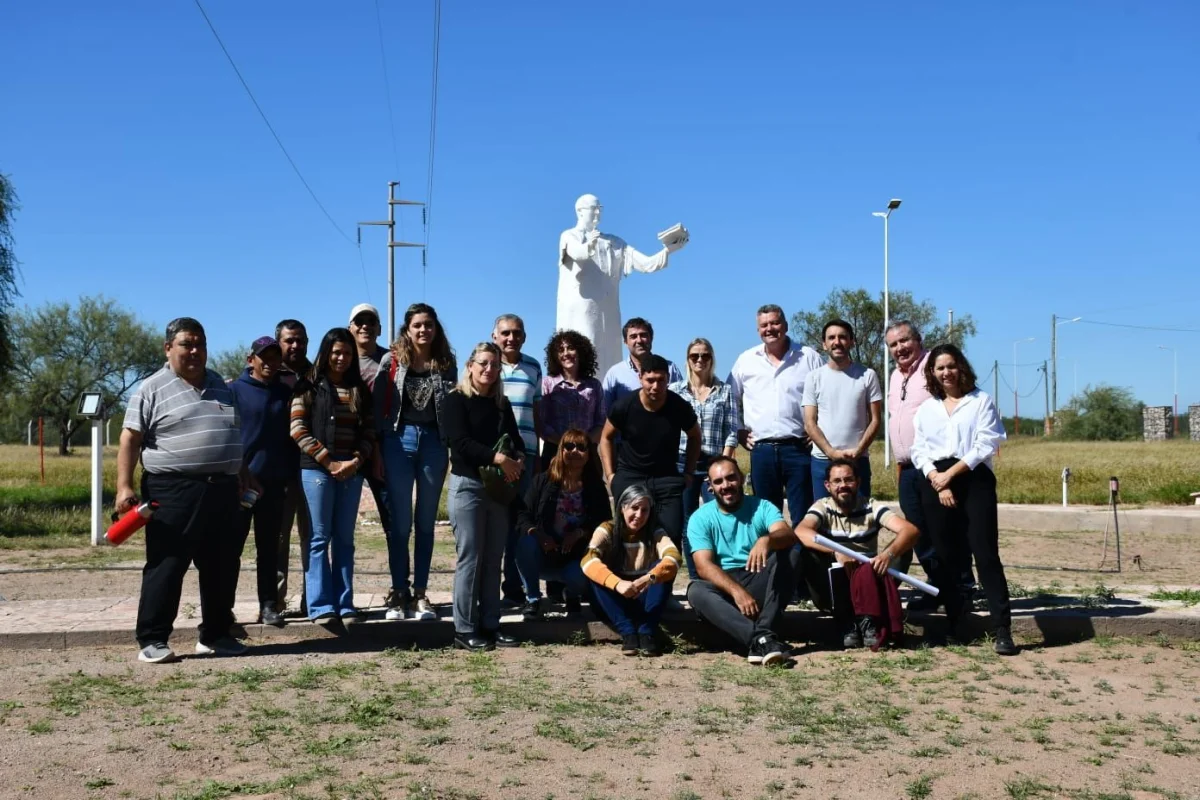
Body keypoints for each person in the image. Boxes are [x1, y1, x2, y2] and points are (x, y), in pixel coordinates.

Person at [117, 317, 259, 664]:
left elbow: (231, 436)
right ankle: (153, 639)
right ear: (168, 348)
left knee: (222, 565)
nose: (195, 351)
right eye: (186, 344)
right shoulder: (150, 389)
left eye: (200, 344)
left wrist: (243, 474)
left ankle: (215, 635)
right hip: (172, 490)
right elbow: (130, 439)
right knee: (167, 564)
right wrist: (123, 486)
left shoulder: (222, 386)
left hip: (223, 490)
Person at [911, 344, 1016, 656]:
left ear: (962, 368)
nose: (946, 373)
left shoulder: (981, 401)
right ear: (932, 373)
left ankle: (1002, 629)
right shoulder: (927, 409)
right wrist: (936, 480)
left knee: (985, 555)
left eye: (951, 366)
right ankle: (956, 623)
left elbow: (986, 443)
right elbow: (919, 449)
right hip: (935, 482)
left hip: (973, 478)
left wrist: (950, 476)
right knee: (946, 557)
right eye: (940, 368)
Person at [761, 459, 919, 649]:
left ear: (858, 482)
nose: (843, 485)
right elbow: (801, 532)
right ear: (827, 486)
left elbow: (910, 531)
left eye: (848, 480)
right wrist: (837, 552)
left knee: (903, 547)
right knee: (805, 552)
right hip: (836, 583)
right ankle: (848, 621)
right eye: (837, 481)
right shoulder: (822, 506)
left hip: (870, 575)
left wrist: (888, 555)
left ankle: (869, 620)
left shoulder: (871, 505)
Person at [885, 320, 979, 612]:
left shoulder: (933, 369)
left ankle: (962, 587)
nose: (900, 348)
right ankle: (937, 586)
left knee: (949, 529)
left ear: (918, 340)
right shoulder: (894, 376)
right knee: (920, 532)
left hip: (937, 468)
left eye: (904, 341)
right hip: (909, 468)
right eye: (893, 344)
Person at [372, 303, 457, 621]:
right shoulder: (391, 360)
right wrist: (378, 448)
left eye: (429, 325)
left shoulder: (446, 363)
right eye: (418, 325)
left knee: (426, 523)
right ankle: (398, 593)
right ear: (407, 329)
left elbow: (451, 407)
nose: (424, 330)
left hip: (434, 443)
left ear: (436, 329)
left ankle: (421, 594)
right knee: (400, 524)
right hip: (398, 440)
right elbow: (379, 407)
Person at [442, 342, 525, 651]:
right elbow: (459, 443)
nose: (489, 369)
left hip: (498, 490)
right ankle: (463, 629)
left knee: (493, 560)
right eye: (483, 364)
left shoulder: (502, 403)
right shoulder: (456, 400)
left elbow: (515, 440)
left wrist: (518, 458)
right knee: (471, 559)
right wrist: (499, 459)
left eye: (494, 365)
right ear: (471, 366)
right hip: (468, 486)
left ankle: (491, 624)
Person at [290, 328, 375, 625]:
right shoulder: (309, 386)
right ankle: (321, 605)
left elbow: (368, 431)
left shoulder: (359, 389)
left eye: (347, 353)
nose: (341, 358)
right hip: (316, 472)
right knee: (318, 537)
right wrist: (328, 461)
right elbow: (297, 429)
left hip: (350, 472)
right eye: (336, 352)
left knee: (344, 539)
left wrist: (355, 461)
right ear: (326, 353)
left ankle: (345, 602)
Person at [557, 193, 687, 372]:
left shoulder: (615, 242)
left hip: (609, 312)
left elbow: (646, 264)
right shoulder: (569, 235)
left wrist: (668, 250)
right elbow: (578, 253)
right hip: (582, 309)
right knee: (582, 351)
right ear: (579, 211)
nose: (597, 214)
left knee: (609, 356)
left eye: (599, 209)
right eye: (593, 209)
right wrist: (590, 245)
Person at [686, 457, 794, 665]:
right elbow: (703, 566)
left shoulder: (762, 507)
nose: (725, 486)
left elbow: (788, 535)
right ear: (710, 487)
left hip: (757, 577)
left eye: (731, 478)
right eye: (718, 482)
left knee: (792, 555)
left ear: (742, 479)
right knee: (696, 591)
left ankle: (763, 631)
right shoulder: (700, 518)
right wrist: (737, 592)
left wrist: (767, 539)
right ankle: (761, 639)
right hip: (725, 588)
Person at [728, 304, 825, 523]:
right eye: (764, 325)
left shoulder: (809, 357)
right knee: (766, 517)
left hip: (799, 448)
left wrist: (818, 428)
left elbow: (826, 395)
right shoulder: (746, 360)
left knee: (804, 514)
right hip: (761, 451)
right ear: (758, 330)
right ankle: (772, 559)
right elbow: (730, 398)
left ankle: (802, 557)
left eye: (775, 323)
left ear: (786, 325)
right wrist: (739, 431)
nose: (770, 328)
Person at [600, 354, 700, 561]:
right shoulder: (624, 406)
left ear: (668, 379)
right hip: (630, 477)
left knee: (670, 536)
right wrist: (611, 475)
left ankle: (662, 591)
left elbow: (695, 436)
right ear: (640, 378)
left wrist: (688, 472)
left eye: (661, 380)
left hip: (666, 479)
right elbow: (606, 437)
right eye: (650, 380)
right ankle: (629, 588)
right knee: (628, 536)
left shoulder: (678, 406)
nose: (655, 386)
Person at [228, 336, 295, 628]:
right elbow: (227, 435)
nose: (270, 362)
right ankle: (223, 608)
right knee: (231, 550)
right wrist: (241, 473)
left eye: (275, 357)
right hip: (240, 484)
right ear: (250, 359)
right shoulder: (233, 391)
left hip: (273, 485)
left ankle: (269, 606)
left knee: (269, 549)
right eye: (264, 357)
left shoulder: (285, 393)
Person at [515, 427, 611, 619]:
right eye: (569, 446)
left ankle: (572, 594)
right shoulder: (542, 481)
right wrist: (539, 535)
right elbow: (522, 515)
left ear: (589, 453)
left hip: (577, 557)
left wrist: (579, 533)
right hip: (544, 553)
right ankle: (533, 599)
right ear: (561, 450)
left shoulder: (595, 487)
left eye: (581, 447)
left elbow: (605, 523)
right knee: (524, 543)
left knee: (578, 575)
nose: (575, 451)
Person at [581, 484, 681, 656]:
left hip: (643, 597)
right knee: (595, 573)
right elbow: (587, 559)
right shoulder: (608, 528)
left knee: (662, 569)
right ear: (622, 508)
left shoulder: (655, 531)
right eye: (634, 508)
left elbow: (674, 558)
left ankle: (646, 632)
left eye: (645, 510)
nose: (639, 515)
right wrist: (617, 583)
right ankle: (627, 633)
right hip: (614, 600)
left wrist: (647, 579)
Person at [668, 337, 739, 578]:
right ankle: (697, 577)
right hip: (683, 463)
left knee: (718, 518)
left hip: (714, 464)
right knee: (689, 523)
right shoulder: (675, 391)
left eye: (705, 355)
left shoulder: (725, 391)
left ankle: (722, 572)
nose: (700, 360)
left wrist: (725, 464)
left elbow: (732, 430)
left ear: (712, 359)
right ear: (687, 360)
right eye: (694, 356)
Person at [492, 314, 544, 608]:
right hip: (495, 460)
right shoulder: (487, 364)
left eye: (517, 333)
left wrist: (535, 454)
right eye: (505, 333)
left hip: (525, 458)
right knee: (493, 524)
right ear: (495, 335)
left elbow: (536, 412)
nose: (511, 338)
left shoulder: (534, 367)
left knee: (517, 524)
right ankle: (486, 589)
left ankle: (513, 589)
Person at [348, 303, 396, 606]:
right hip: (347, 451)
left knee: (393, 523)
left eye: (371, 322)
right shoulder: (339, 358)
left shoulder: (391, 361)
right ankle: (338, 595)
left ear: (379, 328)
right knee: (338, 529)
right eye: (359, 321)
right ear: (350, 326)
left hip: (384, 449)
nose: (365, 326)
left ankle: (399, 587)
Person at [803, 319, 882, 499]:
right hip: (822, 460)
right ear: (824, 344)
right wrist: (831, 453)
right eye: (831, 338)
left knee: (860, 519)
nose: (837, 342)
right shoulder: (813, 377)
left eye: (842, 337)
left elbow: (876, 420)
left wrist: (859, 450)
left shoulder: (868, 375)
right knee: (824, 519)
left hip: (857, 461)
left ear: (852, 341)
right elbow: (809, 422)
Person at [274, 318, 311, 616]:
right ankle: (275, 600)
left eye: (300, 340)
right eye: (290, 340)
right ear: (279, 343)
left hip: (313, 466)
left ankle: (314, 598)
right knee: (279, 537)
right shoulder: (268, 373)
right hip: (280, 469)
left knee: (313, 536)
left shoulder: (316, 374)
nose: (296, 345)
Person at [539, 329, 605, 469]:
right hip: (555, 453)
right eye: (561, 350)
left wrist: (582, 444)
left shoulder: (594, 385)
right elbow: (542, 423)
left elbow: (600, 422)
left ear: (581, 351)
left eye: (571, 348)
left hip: (587, 454)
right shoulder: (547, 383)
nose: (566, 353)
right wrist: (565, 444)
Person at [600, 317, 683, 411]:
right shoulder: (614, 374)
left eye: (643, 335)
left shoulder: (670, 369)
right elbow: (605, 411)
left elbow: (681, 405)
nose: (639, 340)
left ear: (651, 338)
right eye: (633, 336)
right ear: (625, 342)